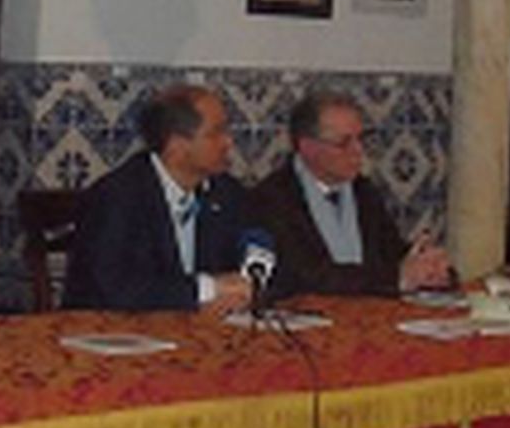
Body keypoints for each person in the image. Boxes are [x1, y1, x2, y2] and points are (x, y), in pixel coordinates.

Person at [63, 85, 252, 312]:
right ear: (176, 146)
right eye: (215, 133)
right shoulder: (116, 198)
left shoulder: (227, 194)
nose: (228, 143)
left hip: (198, 332)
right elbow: (118, 290)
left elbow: (251, 261)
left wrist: (243, 289)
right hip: (111, 335)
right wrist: (207, 289)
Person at [248, 91, 451, 298]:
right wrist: (398, 277)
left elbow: (390, 253)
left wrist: (427, 265)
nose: (358, 150)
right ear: (307, 147)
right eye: (343, 143)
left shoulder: (364, 191)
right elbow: (309, 276)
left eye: (361, 139)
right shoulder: (273, 199)